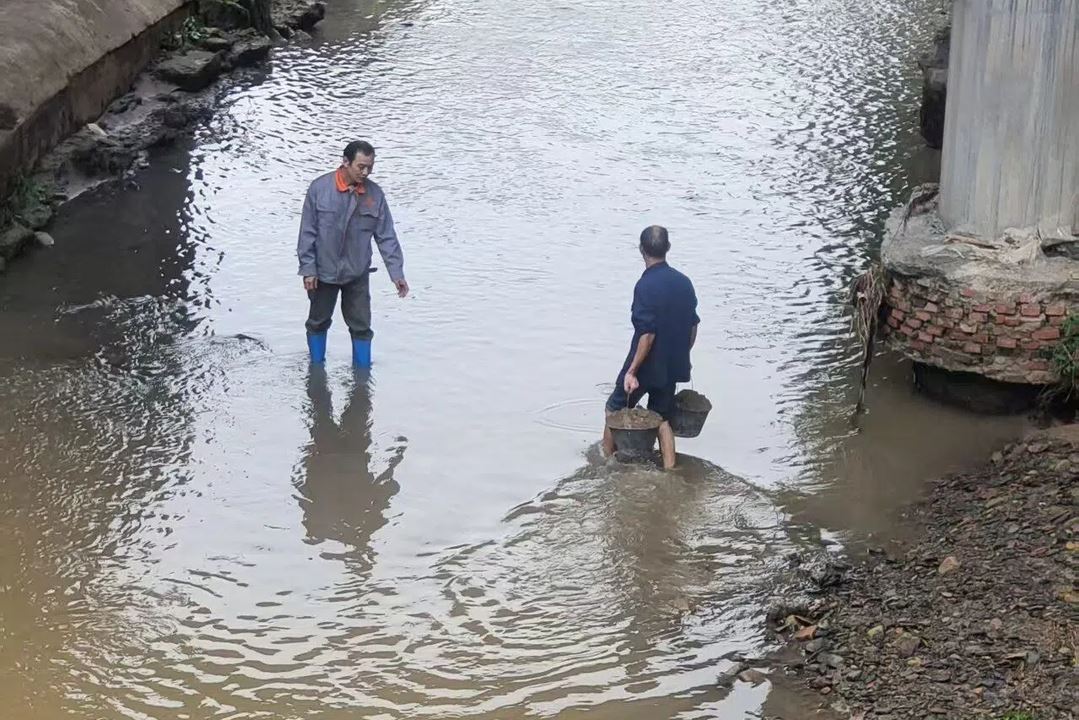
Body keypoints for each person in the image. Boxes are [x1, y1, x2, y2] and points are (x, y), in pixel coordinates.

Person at [297, 141, 409, 367]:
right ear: (345, 162)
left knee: (361, 327)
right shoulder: (319, 189)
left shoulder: (374, 195)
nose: (365, 172)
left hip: (357, 274)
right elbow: (307, 233)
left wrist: (396, 274)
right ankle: (316, 372)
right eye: (361, 167)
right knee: (317, 323)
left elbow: (386, 236)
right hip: (322, 273)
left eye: (370, 167)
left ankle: (363, 379)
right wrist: (308, 269)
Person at [603, 225, 699, 470]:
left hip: (646, 363)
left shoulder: (645, 286)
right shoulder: (684, 283)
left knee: (615, 408)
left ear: (641, 250)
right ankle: (670, 470)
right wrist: (682, 355)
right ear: (667, 248)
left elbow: (647, 335)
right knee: (662, 418)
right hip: (672, 363)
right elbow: (693, 326)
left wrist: (632, 371)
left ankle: (606, 463)